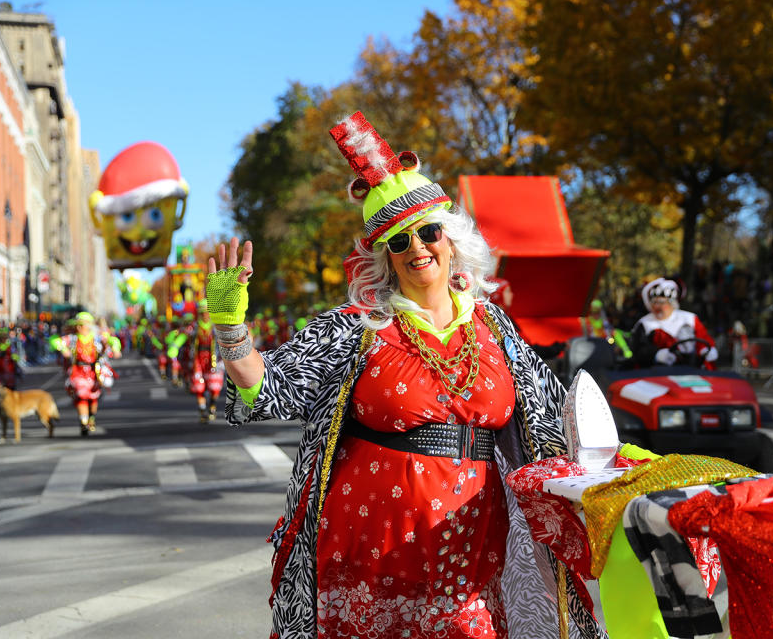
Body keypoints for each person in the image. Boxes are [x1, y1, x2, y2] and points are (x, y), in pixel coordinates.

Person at [205, 112, 605, 639]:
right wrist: (231, 327)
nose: (417, 248)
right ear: (384, 259)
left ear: (451, 238)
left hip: (473, 541)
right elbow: (269, 389)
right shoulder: (358, 329)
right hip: (370, 546)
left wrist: (623, 464)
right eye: (398, 242)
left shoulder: (495, 327)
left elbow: (554, 417)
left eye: (428, 232)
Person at [629, 277, 718, 369]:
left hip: (691, 370)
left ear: (672, 303)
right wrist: (656, 354)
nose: (657, 307)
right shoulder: (645, 324)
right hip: (656, 373)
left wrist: (706, 350)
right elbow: (638, 351)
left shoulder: (689, 319)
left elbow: (703, 338)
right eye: (654, 302)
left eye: (662, 302)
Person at [48, 311, 114, 436]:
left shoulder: (97, 338)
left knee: (93, 398)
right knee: (81, 396)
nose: (79, 327)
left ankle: (91, 418)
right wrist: (63, 349)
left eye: (82, 325)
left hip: (94, 372)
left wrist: (113, 346)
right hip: (78, 372)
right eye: (77, 325)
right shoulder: (72, 338)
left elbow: (113, 342)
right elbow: (54, 340)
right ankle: (83, 422)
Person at [188, 299, 224, 422]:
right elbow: (185, 340)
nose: (205, 315)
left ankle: (212, 407)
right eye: (202, 312)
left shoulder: (217, 327)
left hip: (214, 359)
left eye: (207, 312)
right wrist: (175, 346)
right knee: (199, 387)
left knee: (214, 386)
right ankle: (202, 411)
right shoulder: (194, 327)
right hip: (198, 360)